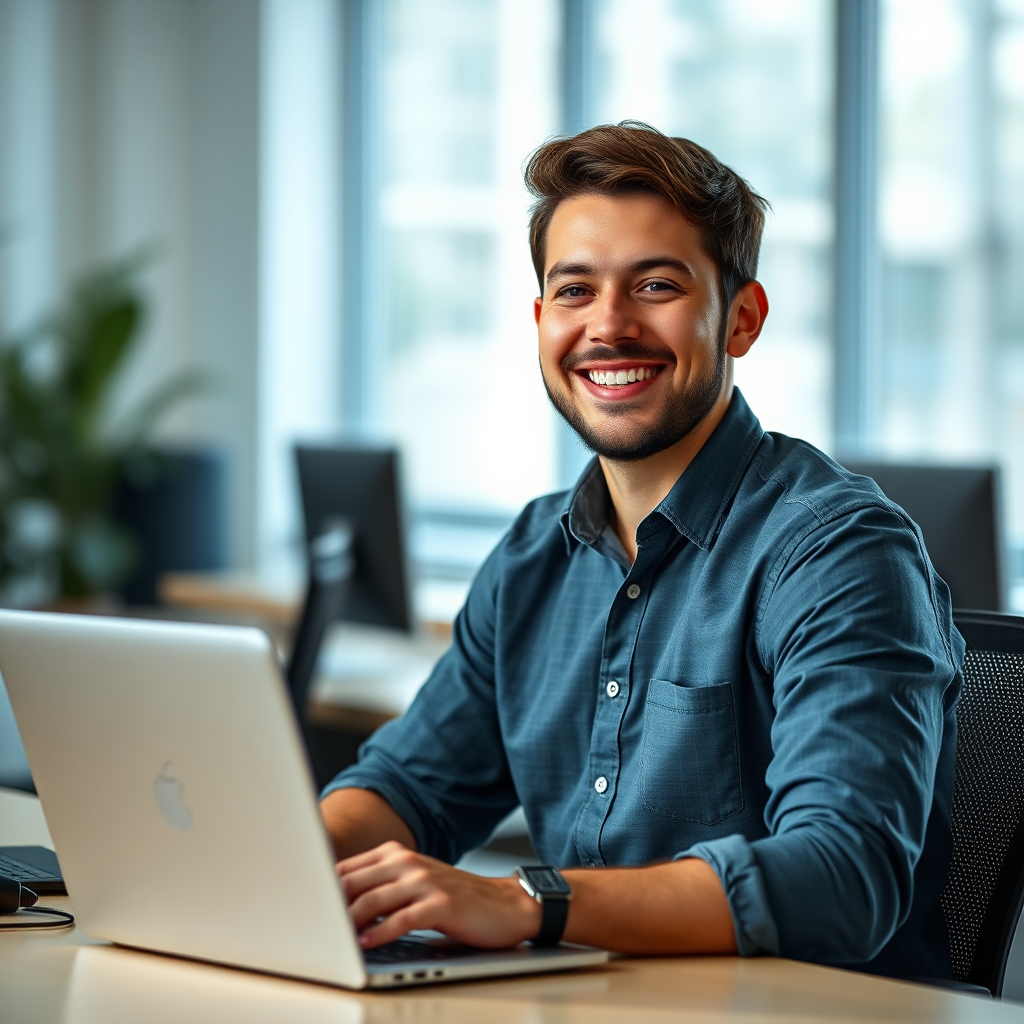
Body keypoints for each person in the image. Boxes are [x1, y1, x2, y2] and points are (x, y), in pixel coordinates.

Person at [319, 122, 963, 978]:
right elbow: (408, 789)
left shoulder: (837, 552)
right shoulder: (530, 559)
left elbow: (842, 876)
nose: (609, 326)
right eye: (575, 291)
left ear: (741, 319)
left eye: (655, 286)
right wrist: (286, 860)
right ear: (542, 321)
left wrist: (527, 904)